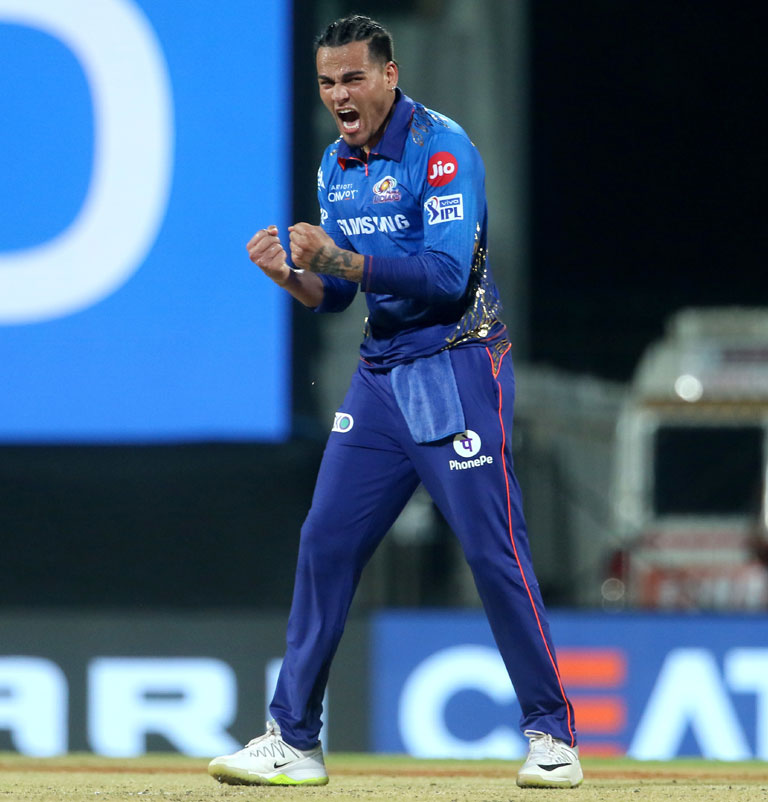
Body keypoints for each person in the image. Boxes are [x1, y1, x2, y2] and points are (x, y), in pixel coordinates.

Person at [208, 15, 581, 789]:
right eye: (326, 82)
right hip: (381, 379)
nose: (338, 95)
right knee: (325, 542)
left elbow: (445, 278)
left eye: (351, 78)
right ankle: (294, 739)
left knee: (492, 551)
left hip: (459, 365)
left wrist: (338, 254)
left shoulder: (441, 152)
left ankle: (552, 736)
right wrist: (291, 274)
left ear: (389, 75)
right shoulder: (335, 165)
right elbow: (339, 297)